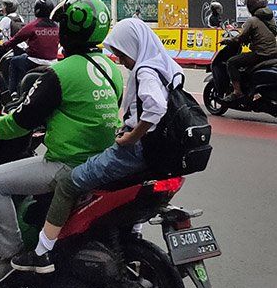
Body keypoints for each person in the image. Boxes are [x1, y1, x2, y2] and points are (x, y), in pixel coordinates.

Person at [0, 0, 121, 288]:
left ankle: (10, 254)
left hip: (67, 163)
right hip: (102, 162)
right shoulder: (110, 68)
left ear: (68, 31)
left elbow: (21, 122)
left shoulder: (59, 73)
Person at [12, 17, 176, 274]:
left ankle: (42, 252)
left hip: (134, 151)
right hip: (160, 154)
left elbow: (155, 106)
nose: (121, 60)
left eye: (122, 54)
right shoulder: (168, 66)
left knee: (68, 184)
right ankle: (132, 236)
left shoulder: (145, 71)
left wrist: (132, 136)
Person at [222, 0, 277, 100]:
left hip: (260, 54)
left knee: (231, 62)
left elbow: (240, 38)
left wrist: (228, 41)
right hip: (274, 53)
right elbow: (273, 33)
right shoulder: (271, 18)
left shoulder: (252, 20)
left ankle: (237, 92)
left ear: (250, 6)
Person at [0, 0, 59, 93]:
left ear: (37, 10)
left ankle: (12, 92)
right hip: (53, 62)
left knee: (14, 62)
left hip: (35, 61)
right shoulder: (56, 26)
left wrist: (4, 45)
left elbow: (16, 39)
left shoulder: (33, 25)